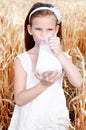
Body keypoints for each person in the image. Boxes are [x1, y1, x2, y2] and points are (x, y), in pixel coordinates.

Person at [8, 2, 83, 130]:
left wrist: (59, 53)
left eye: (49, 29)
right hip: (30, 118)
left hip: (55, 117)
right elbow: (19, 99)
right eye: (38, 29)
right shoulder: (22, 60)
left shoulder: (62, 56)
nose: (44, 34)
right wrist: (43, 85)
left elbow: (77, 82)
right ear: (30, 30)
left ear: (56, 30)